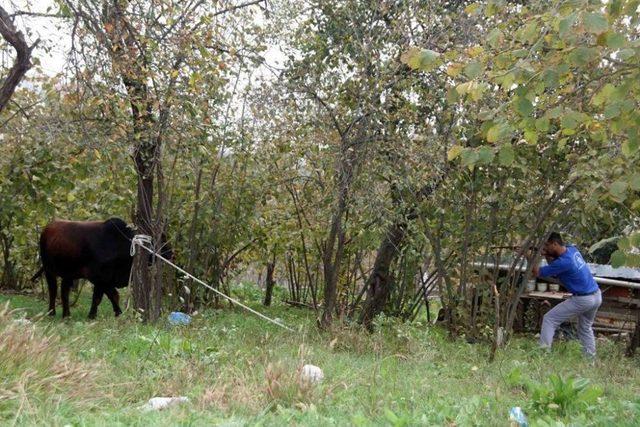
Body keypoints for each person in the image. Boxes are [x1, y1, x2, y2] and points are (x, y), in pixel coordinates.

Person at [532, 232, 602, 357]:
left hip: (583, 299)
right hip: (596, 295)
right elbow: (554, 264)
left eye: (547, 245)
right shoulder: (572, 249)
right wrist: (547, 254)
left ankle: (542, 355)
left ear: (555, 244)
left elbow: (536, 272)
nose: (545, 248)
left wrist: (530, 257)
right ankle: (590, 360)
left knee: (549, 319)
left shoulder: (564, 262)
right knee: (585, 328)